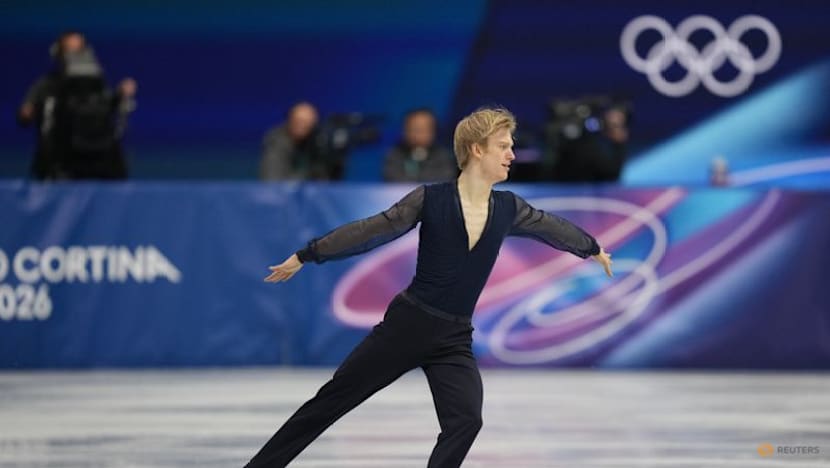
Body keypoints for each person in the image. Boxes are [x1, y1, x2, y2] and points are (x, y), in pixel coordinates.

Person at [248, 107, 613, 468]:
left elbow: (550, 226)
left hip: (454, 338)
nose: (512, 155)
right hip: (407, 327)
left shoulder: (508, 207)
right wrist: (309, 253)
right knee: (330, 403)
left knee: (466, 420)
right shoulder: (431, 198)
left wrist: (591, 247)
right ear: (476, 149)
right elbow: (372, 230)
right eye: (503, 146)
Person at [17, 31, 136, 180]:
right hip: (60, 162)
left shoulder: (98, 86)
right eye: (69, 50)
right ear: (58, 53)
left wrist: (119, 97)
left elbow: (107, 110)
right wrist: (28, 111)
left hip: (99, 161)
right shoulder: (47, 86)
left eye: (79, 50)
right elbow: (25, 116)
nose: (75, 55)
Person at [383, 108, 457, 182]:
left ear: (434, 131)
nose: (419, 134)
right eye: (415, 129)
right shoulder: (394, 156)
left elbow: (445, 179)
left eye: (424, 129)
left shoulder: (445, 157)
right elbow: (392, 178)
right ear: (405, 131)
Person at [260, 102, 329, 180]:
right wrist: (310, 174)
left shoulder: (316, 142)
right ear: (290, 120)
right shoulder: (276, 143)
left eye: (307, 123)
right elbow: (272, 179)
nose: (302, 126)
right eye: (298, 121)